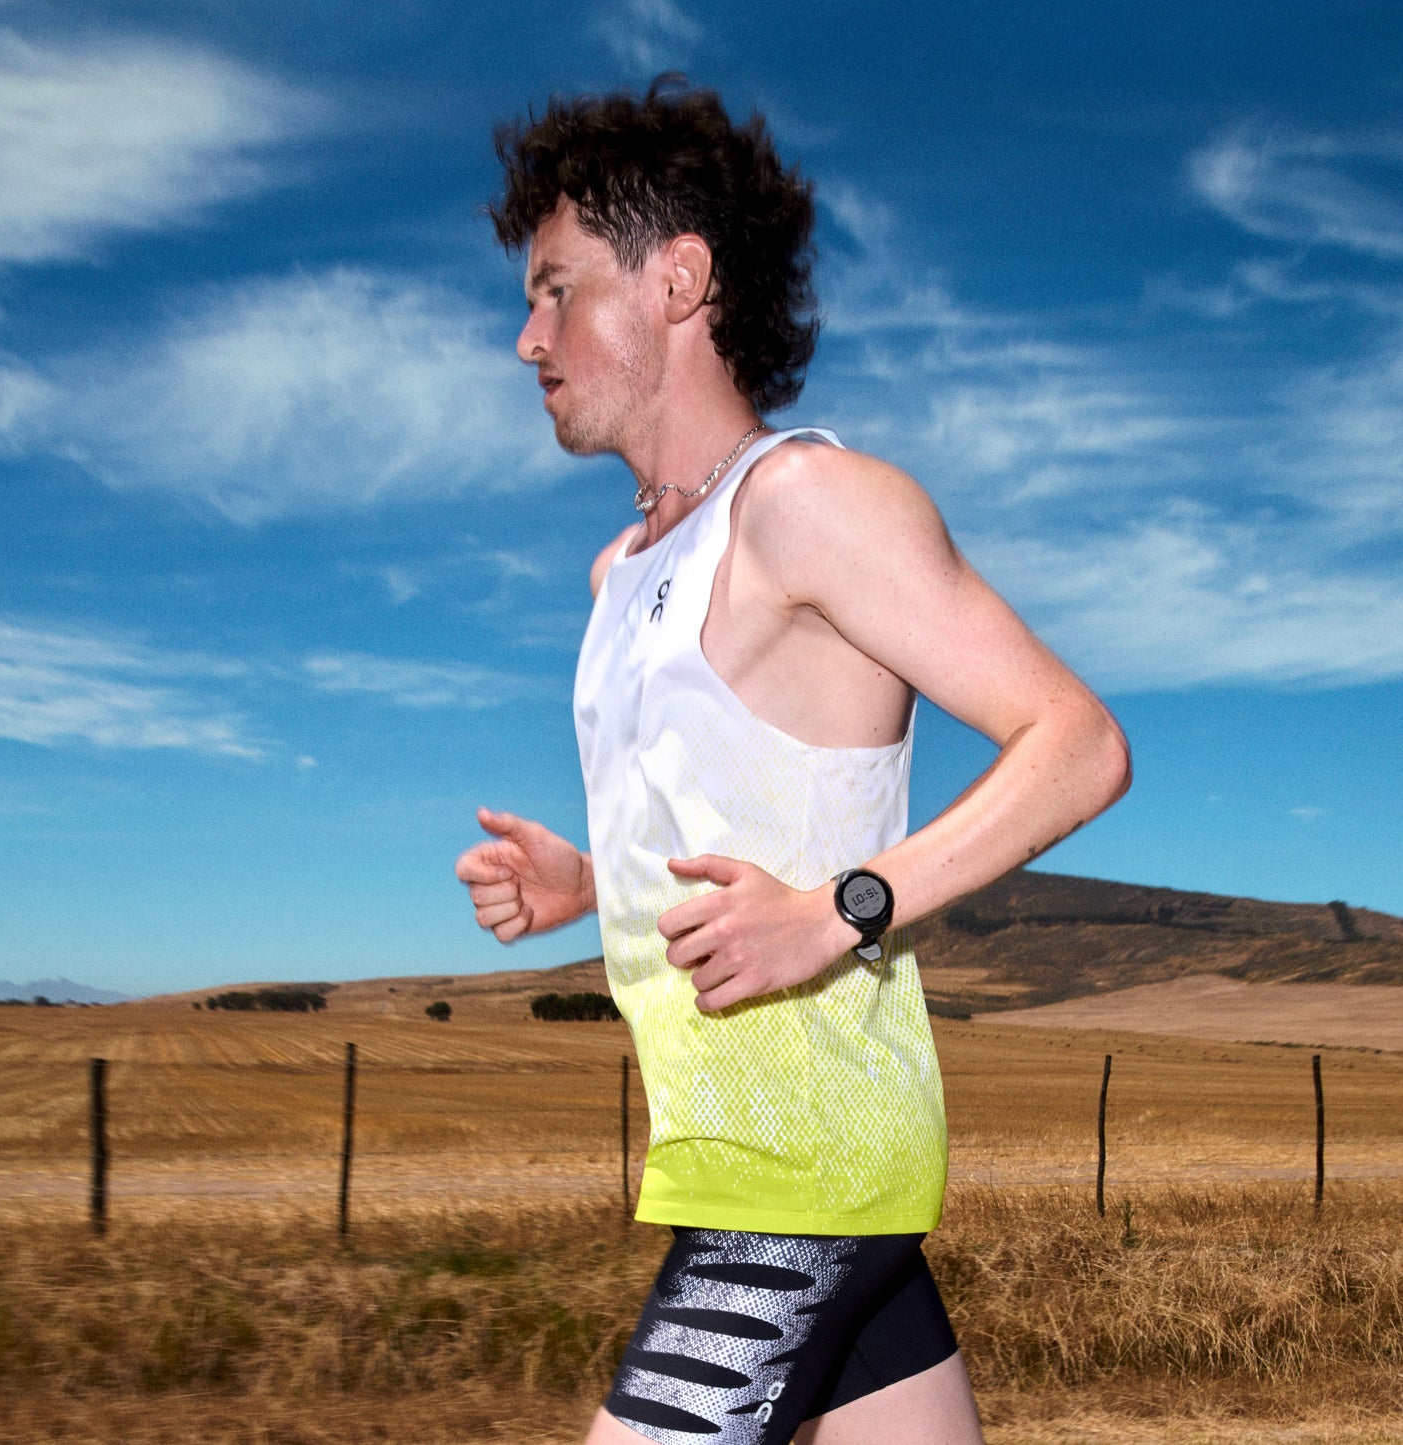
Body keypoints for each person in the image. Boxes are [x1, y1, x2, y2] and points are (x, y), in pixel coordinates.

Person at [455, 79, 1130, 1445]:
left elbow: (1077, 742)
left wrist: (841, 910)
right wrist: (593, 880)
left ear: (679, 280)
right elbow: (749, 804)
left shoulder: (808, 505)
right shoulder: (620, 570)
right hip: (751, 1162)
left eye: (558, 290)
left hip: (799, 1163)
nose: (526, 337)